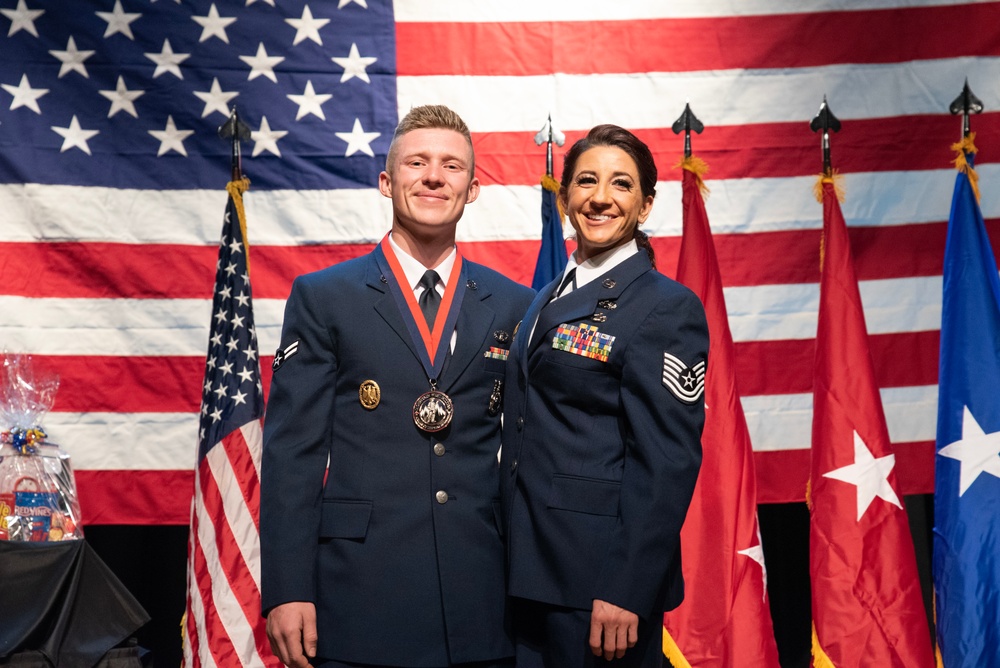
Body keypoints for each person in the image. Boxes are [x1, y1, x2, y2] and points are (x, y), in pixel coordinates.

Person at [260, 105, 535, 668]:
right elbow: (294, 453)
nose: (434, 176)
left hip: (481, 598)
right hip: (360, 594)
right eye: (417, 162)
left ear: (473, 188)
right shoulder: (324, 297)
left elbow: (529, 452)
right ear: (387, 182)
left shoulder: (514, 303)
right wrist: (288, 588)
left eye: (452, 166)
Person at [500, 124, 708, 667]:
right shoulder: (550, 294)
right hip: (528, 568)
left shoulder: (665, 307)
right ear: (565, 194)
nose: (600, 198)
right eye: (586, 181)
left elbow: (666, 462)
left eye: (621, 184)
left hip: (596, 583)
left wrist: (626, 587)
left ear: (645, 204)